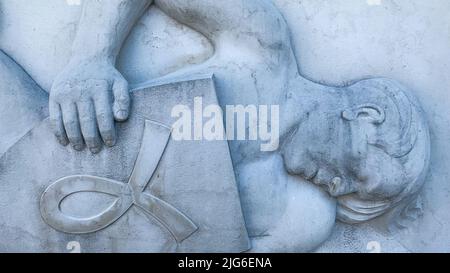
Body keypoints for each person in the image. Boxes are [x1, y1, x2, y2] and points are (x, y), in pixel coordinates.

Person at [0, 0, 429, 252]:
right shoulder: (263, 44)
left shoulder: (301, 215)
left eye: (351, 192)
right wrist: (90, 58)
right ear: (368, 117)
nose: (338, 187)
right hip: (33, 131)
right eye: (357, 174)